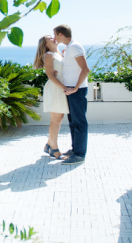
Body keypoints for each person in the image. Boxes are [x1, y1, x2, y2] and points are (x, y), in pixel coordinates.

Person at [53, 24, 90, 165]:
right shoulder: (69, 48)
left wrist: (76, 87)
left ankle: (80, 155)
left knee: (79, 122)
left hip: (77, 90)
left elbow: (85, 69)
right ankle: (75, 150)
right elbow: (70, 67)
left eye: (55, 35)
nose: (55, 37)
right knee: (73, 121)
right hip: (71, 89)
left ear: (61, 34)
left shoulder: (74, 46)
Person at [32, 35, 69, 159]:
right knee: (56, 119)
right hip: (55, 87)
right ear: (46, 44)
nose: (54, 38)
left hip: (59, 87)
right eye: (50, 38)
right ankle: (54, 149)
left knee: (59, 118)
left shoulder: (58, 53)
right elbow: (50, 75)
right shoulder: (49, 55)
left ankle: (48, 144)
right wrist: (64, 87)